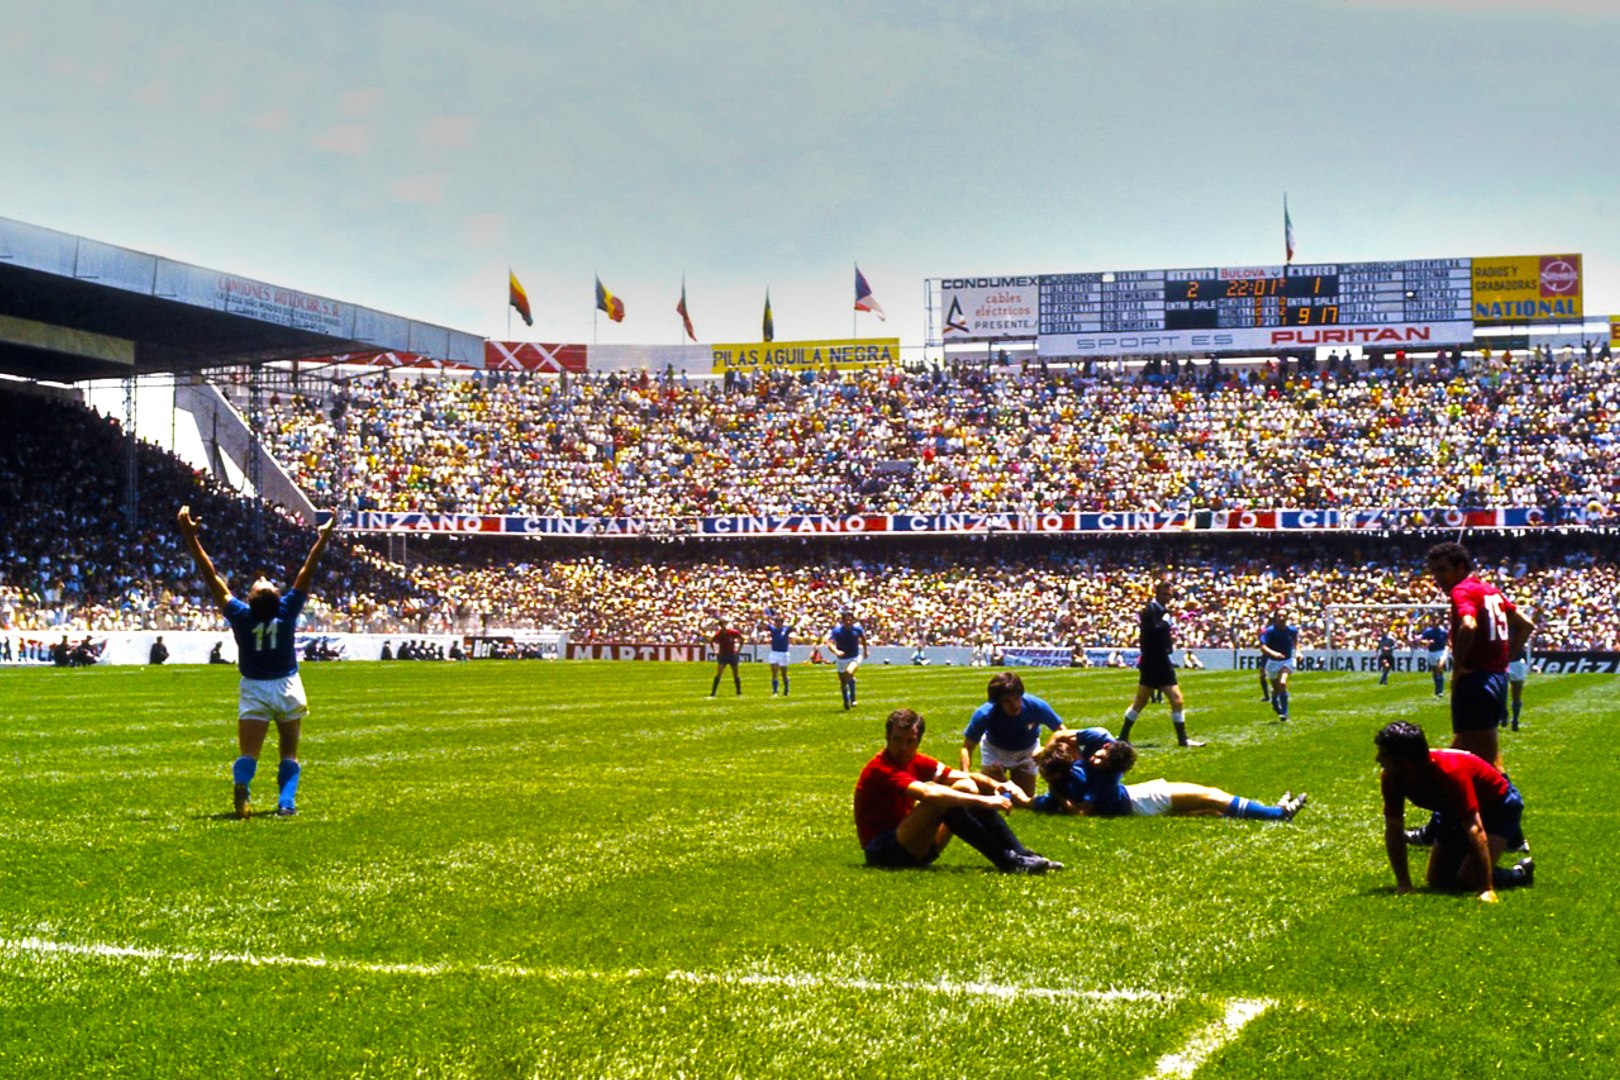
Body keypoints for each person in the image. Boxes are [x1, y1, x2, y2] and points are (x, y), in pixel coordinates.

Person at [178, 504, 334, 819]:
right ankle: (286, 804)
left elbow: (210, 576)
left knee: (249, 752)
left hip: (254, 689)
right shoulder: (287, 610)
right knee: (289, 751)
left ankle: (242, 784)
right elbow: (308, 569)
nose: (262, 578)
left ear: (249, 598)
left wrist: (191, 538)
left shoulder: (241, 615)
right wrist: (323, 538)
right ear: (277, 596)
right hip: (288, 685)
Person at [854, 707, 1061, 874]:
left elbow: (963, 777)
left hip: (915, 846)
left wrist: (996, 785)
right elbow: (928, 794)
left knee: (964, 787)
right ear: (887, 738)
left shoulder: (915, 760)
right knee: (940, 797)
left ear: (918, 741)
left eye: (910, 741)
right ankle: (1007, 861)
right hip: (883, 851)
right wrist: (986, 801)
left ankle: (1020, 854)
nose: (903, 747)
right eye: (897, 740)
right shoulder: (882, 767)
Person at [1375, 721, 1532, 902]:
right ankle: (1471, 866)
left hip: (1498, 806)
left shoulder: (1450, 772)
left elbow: (1474, 828)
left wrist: (1485, 888)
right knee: (1437, 880)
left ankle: (1518, 873)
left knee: (1468, 878)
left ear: (1405, 760)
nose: (1378, 759)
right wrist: (1404, 884)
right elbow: (1394, 828)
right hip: (1451, 810)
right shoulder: (1392, 777)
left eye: (1384, 754)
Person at [1033, 729, 1306, 821]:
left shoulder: (1106, 771)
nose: (1093, 760)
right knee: (1212, 796)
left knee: (1208, 805)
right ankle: (1277, 814)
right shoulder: (1103, 759)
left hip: (1139, 798)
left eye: (1099, 760)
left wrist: (1050, 785)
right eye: (1096, 758)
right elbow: (1082, 812)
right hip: (1141, 801)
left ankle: (1271, 811)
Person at [1425, 542, 1535, 770]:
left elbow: (1468, 625)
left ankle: (1506, 802)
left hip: (1476, 681)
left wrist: (1458, 668)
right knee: (1466, 747)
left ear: (1461, 567)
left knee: (1484, 759)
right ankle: (1448, 802)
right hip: (1496, 678)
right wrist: (1504, 659)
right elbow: (1525, 625)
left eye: (1442, 569)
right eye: (1434, 570)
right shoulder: (1490, 590)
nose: (1437, 577)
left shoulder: (1461, 591)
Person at [1120, 578, 1203, 747]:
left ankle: (1123, 737)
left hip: (1158, 660)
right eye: (1165, 594)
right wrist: (1166, 620)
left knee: (1157, 701)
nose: (1168, 596)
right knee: (1152, 701)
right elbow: (1154, 630)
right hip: (1154, 661)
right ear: (1157, 594)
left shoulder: (1160, 609)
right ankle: (1182, 740)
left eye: (1169, 594)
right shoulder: (1151, 610)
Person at [959, 672, 1068, 798]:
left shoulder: (1036, 706)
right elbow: (967, 747)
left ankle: (1008, 783)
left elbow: (1062, 732)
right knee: (987, 794)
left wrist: (1046, 749)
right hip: (995, 752)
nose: (1014, 705)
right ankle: (997, 778)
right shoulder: (985, 714)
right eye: (1007, 701)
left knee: (1024, 798)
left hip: (1028, 751)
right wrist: (965, 775)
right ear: (997, 702)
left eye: (1017, 698)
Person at [824, 610, 868, 710]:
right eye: (846, 620)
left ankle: (852, 698)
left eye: (850, 620)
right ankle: (846, 700)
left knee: (849, 672)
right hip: (841, 659)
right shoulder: (837, 631)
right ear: (843, 621)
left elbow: (864, 639)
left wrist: (865, 651)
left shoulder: (857, 629)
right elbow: (830, 643)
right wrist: (836, 651)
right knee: (843, 682)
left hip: (854, 657)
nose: (848, 622)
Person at [1259, 611, 1299, 721]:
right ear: (1276, 618)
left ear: (1287, 617)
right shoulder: (1270, 631)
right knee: (1276, 688)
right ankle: (1274, 700)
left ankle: (1284, 713)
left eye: (1283, 616)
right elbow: (1263, 647)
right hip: (1273, 662)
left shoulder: (1292, 630)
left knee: (1282, 683)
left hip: (1287, 660)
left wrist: (1298, 652)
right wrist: (1274, 654)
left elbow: (1295, 642)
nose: (1281, 618)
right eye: (1279, 616)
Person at [709, 618, 744, 697]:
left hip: (732, 655)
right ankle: (713, 692)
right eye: (722, 624)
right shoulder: (719, 634)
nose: (723, 626)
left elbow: (741, 639)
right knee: (719, 673)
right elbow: (711, 641)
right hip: (723, 655)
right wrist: (715, 651)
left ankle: (738, 691)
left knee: (735, 673)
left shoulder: (732, 632)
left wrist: (738, 650)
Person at [762, 612, 795, 696]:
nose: (778, 623)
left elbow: (792, 626)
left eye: (780, 621)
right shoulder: (773, 629)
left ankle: (786, 688)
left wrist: (795, 619)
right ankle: (775, 691)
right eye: (777, 621)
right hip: (774, 652)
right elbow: (764, 624)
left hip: (783, 653)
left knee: (784, 673)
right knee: (774, 672)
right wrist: (762, 616)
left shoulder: (785, 629)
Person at [1416, 617, 1449, 698]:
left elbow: (1447, 640)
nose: (1435, 622)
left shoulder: (1442, 631)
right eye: (1433, 620)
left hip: (1441, 651)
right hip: (1432, 652)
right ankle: (1437, 689)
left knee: (1440, 667)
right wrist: (1427, 642)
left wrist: (1449, 647)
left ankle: (1440, 690)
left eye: (1436, 620)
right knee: (1434, 671)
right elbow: (1421, 641)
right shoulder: (1428, 631)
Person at [1505, 639, 1531, 732]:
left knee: (1516, 694)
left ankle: (1515, 719)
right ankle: (1504, 713)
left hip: (1517, 662)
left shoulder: (1518, 627)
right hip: (1502, 662)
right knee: (1500, 690)